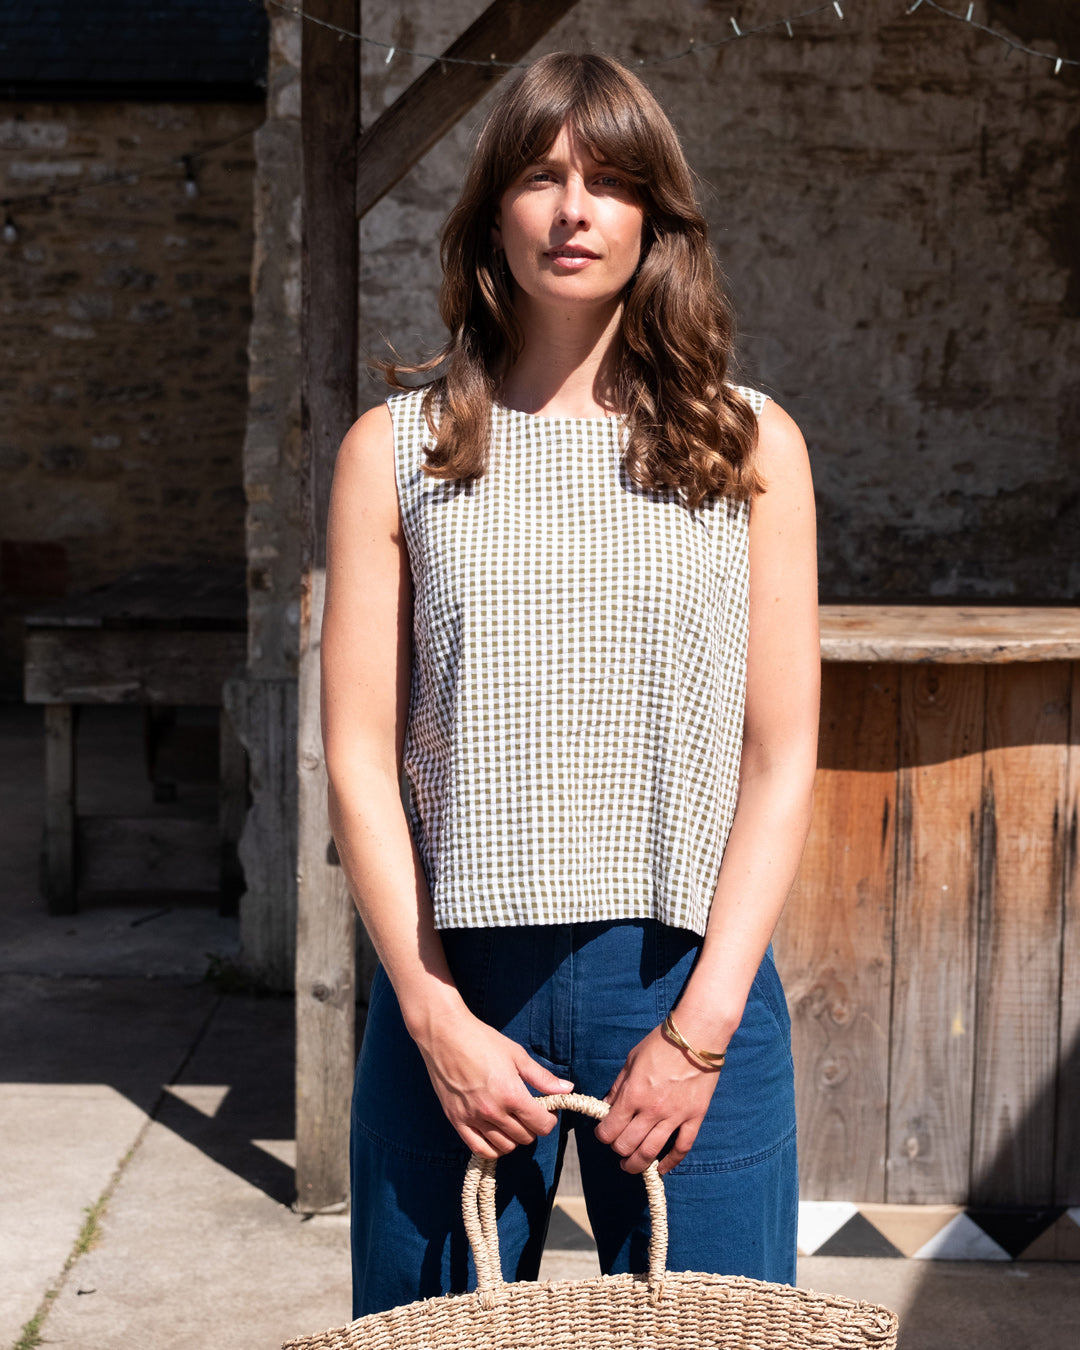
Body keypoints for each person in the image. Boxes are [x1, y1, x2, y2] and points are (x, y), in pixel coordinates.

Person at [320, 51, 819, 1319]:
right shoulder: (398, 452)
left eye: (610, 181)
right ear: (494, 210)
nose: (574, 209)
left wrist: (701, 1033)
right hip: (456, 987)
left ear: (656, 216)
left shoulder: (749, 446)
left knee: (720, 1340)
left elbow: (779, 760)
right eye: (541, 176)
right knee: (425, 1338)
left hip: (686, 980)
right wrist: (433, 1017)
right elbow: (359, 759)